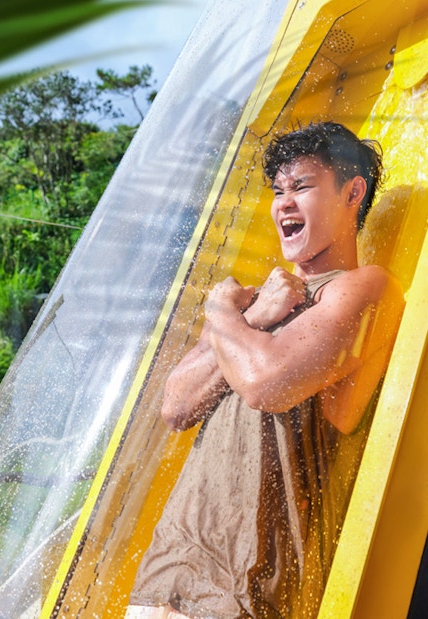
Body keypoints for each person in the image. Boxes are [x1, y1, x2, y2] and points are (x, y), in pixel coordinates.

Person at [125, 122, 405, 619]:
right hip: (164, 576)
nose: (283, 204)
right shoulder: (254, 305)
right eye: (278, 191)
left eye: (301, 187)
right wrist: (251, 317)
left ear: (352, 193)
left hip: (247, 592)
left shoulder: (365, 288)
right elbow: (175, 405)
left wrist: (220, 310)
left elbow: (266, 384)